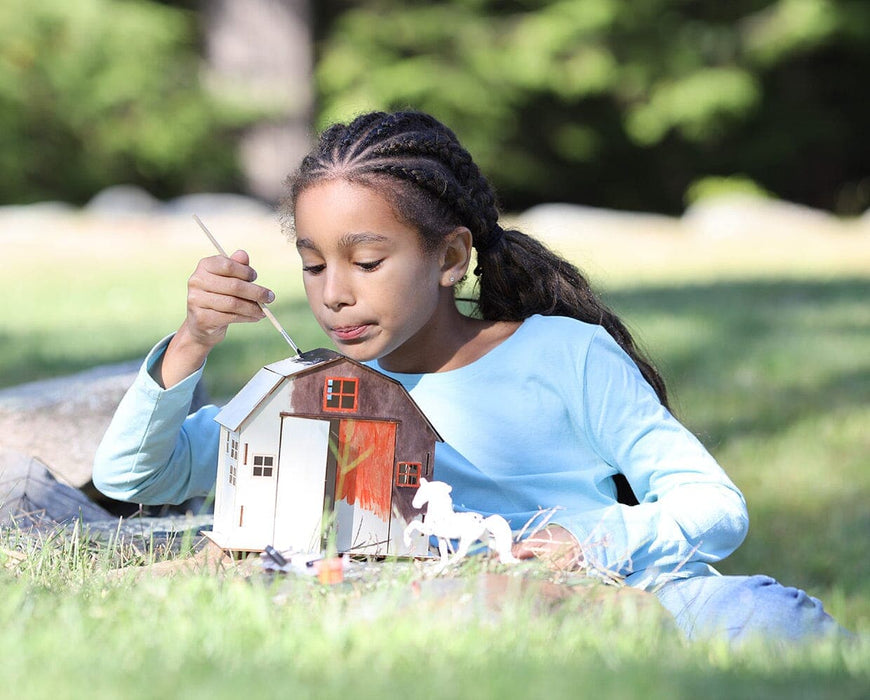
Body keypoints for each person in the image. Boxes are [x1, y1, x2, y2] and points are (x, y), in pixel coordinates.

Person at [93, 110, 846, 645]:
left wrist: (587, 538)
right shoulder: (319, 393)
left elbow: (715, 507)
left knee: (767, 618)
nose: (334, 293)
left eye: (366, 261)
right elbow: (135, 476)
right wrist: (195, 340)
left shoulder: (563, 356)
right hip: (451, 608)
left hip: (620, 586)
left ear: (451, 258)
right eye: (314, 264)